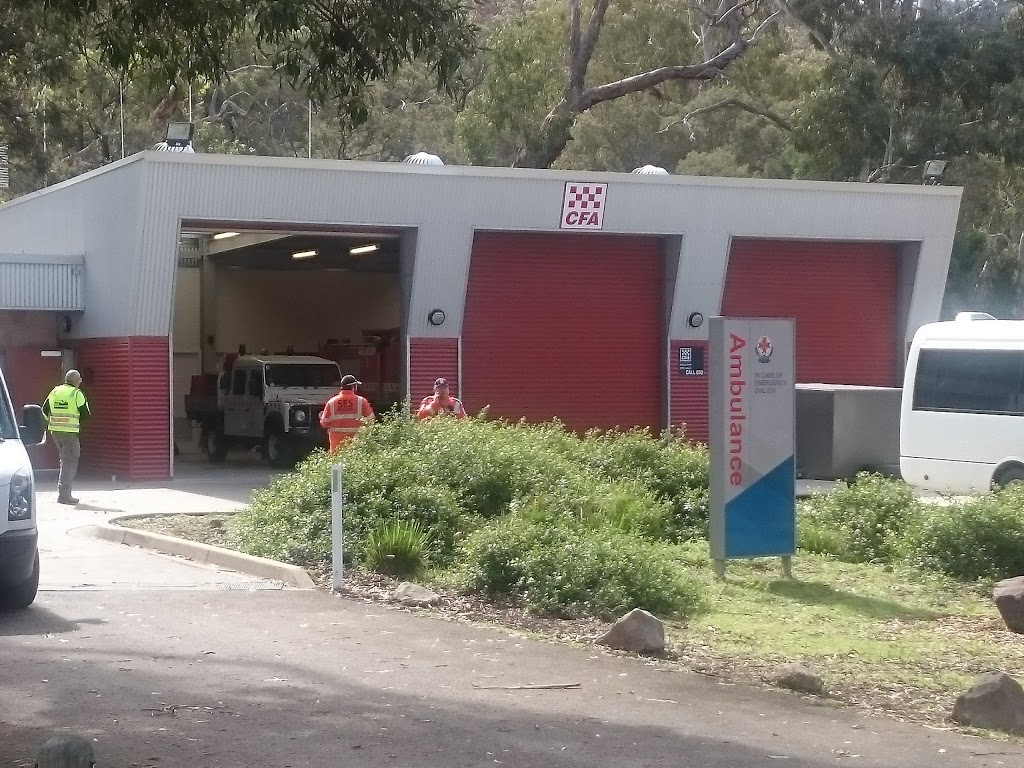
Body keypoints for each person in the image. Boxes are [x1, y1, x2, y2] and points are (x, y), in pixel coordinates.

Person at [42, 369, 92, 505]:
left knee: (65, 461)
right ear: (76, 381)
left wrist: (53, 422)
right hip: (69, 433)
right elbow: (85, 414)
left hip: (55, 432)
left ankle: (63, 492)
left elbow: (44, 410)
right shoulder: (76, 393)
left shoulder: (55, 391)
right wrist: (73, 424)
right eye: (79, 379)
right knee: (70, 462)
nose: (81, 381)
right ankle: (64, 495)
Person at [320, 374, 374, 451]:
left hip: (336, 446)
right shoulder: (362, 401)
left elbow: (324, 423)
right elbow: (371, 420)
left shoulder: (331, 402)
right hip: (355, 444)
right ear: (353, 387)